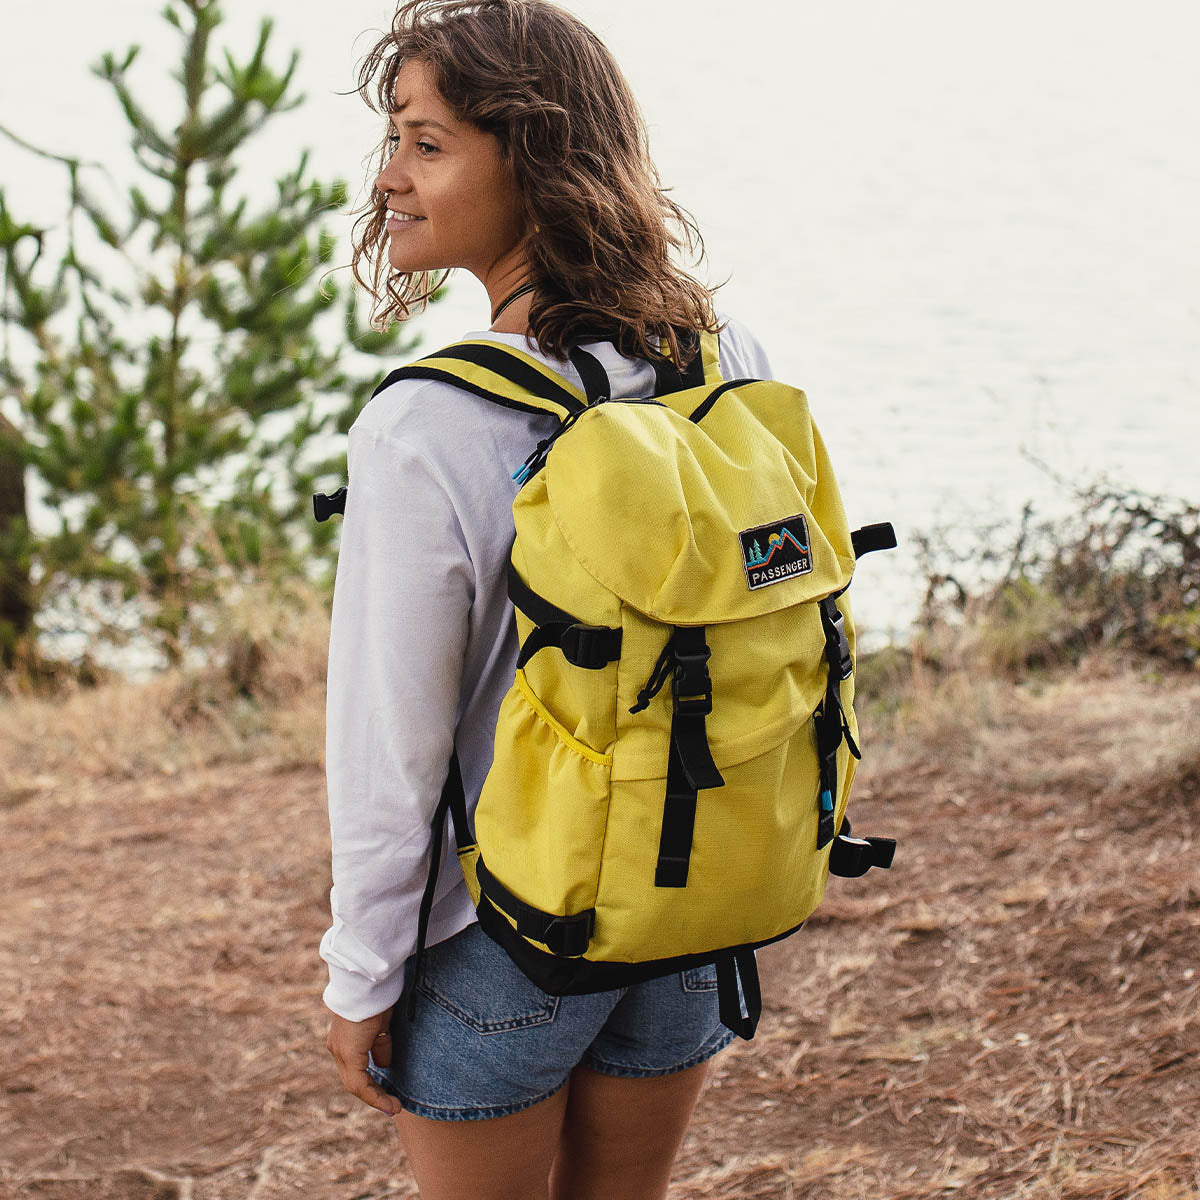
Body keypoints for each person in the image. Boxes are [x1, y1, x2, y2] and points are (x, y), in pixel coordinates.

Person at [321, 2, 773, 1197]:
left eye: (426, 143)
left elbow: (391, 751)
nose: (389, 178)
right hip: (688, 898)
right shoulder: (727, 359)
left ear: (532, 155)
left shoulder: (429, 424)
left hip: (503, 935)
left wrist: (361, 975)